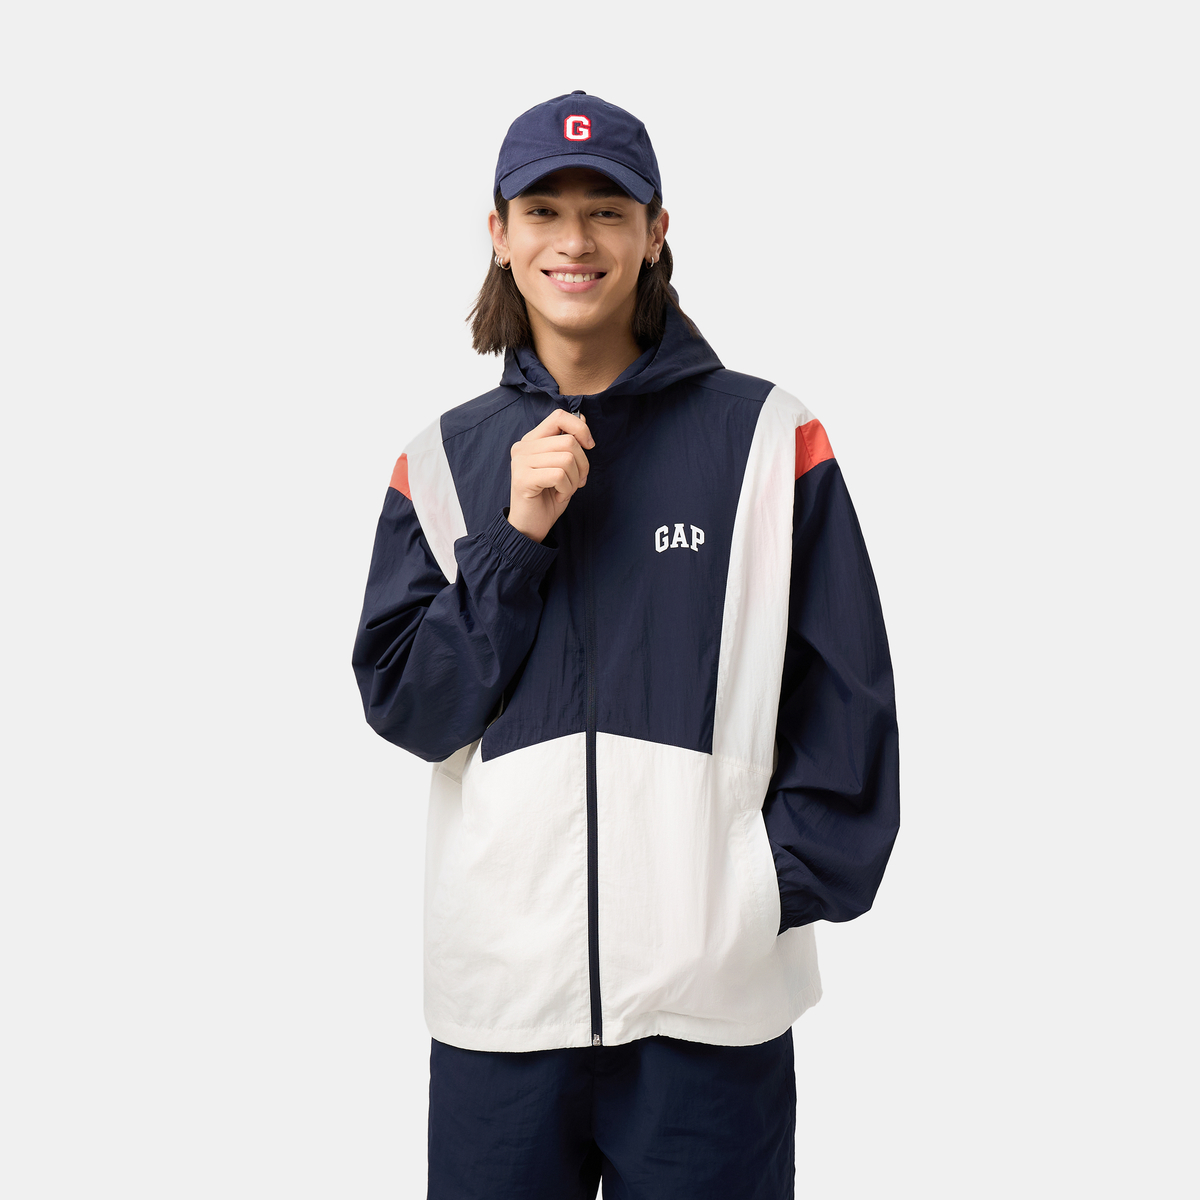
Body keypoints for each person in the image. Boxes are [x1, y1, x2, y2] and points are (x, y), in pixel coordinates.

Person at [352, 91, 900, 1200]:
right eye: (543, 210)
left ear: (656, 232)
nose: (575, 239)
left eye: (607, 210)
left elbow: (847, 696)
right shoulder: (442, 461)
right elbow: (412, 708)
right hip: (502, 1010)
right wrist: (513, 540)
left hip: (711, 1013)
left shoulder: (768, 437)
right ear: (499, 234)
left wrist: (755, 900)